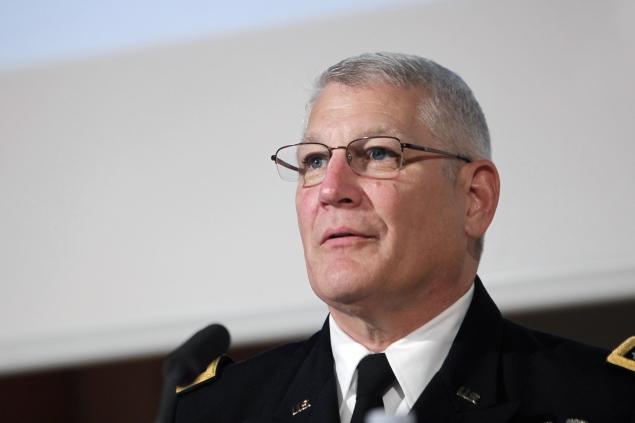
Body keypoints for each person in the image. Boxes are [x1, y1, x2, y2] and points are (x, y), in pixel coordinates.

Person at [173, 52, 634, 423]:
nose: (331, 190)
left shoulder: (609, 402)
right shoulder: (212, 412)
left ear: (475, 198)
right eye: (314, 161)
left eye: (377, 154)